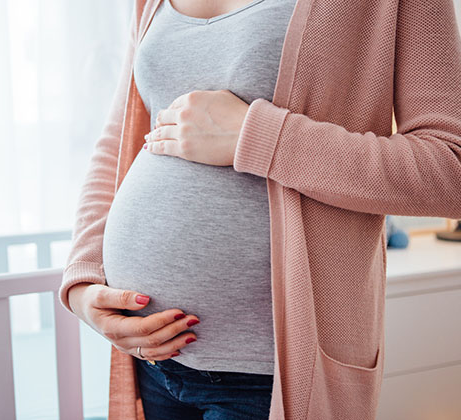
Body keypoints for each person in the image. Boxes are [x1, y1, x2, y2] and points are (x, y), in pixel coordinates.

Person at [59, 0, 461, 419]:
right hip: (154, 362)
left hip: (270, 377)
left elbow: (450, 167)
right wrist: (84, 283)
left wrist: (259, 136)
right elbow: (119, 142)